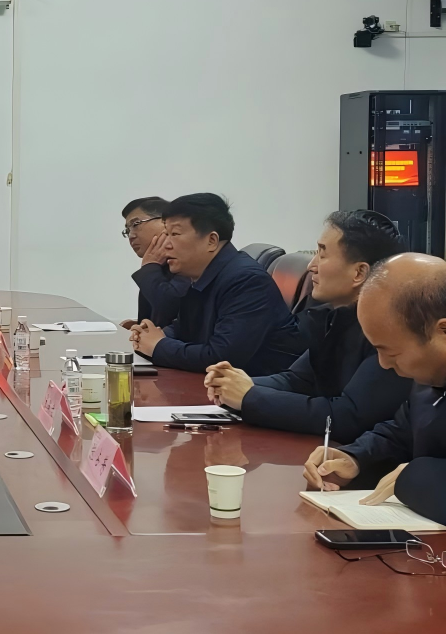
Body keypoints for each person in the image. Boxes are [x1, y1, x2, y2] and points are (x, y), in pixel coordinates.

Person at [204, 210, 411, 443]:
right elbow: (298, 380)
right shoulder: (334, 315)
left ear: (359, 272)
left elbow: (348, 417)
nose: (312, 266)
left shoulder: (392, 330)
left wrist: (250, 397)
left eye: (322, 254)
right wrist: (234, 383)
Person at [303, 253, 446, 524]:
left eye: (390, 352)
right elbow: (403, 431)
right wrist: (355, 457)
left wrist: (416, 477)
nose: (383, 364)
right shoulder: (430, 376)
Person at [130, 193, 303, 375]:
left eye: (175, 234)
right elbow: (185, 329)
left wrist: (159, 346)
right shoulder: (198, 274)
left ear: (211, 241)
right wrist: (155, 335)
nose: (166, 245)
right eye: (166, 234)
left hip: (259, 387)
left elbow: (222, 358)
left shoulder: (247, 281)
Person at [120, 196, 189, 330]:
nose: (131, 236)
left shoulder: (189, 260)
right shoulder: (157, 264)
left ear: (166, 222)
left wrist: (149, 268)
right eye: (127, 231)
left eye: (136, 225)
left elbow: (173, 309)